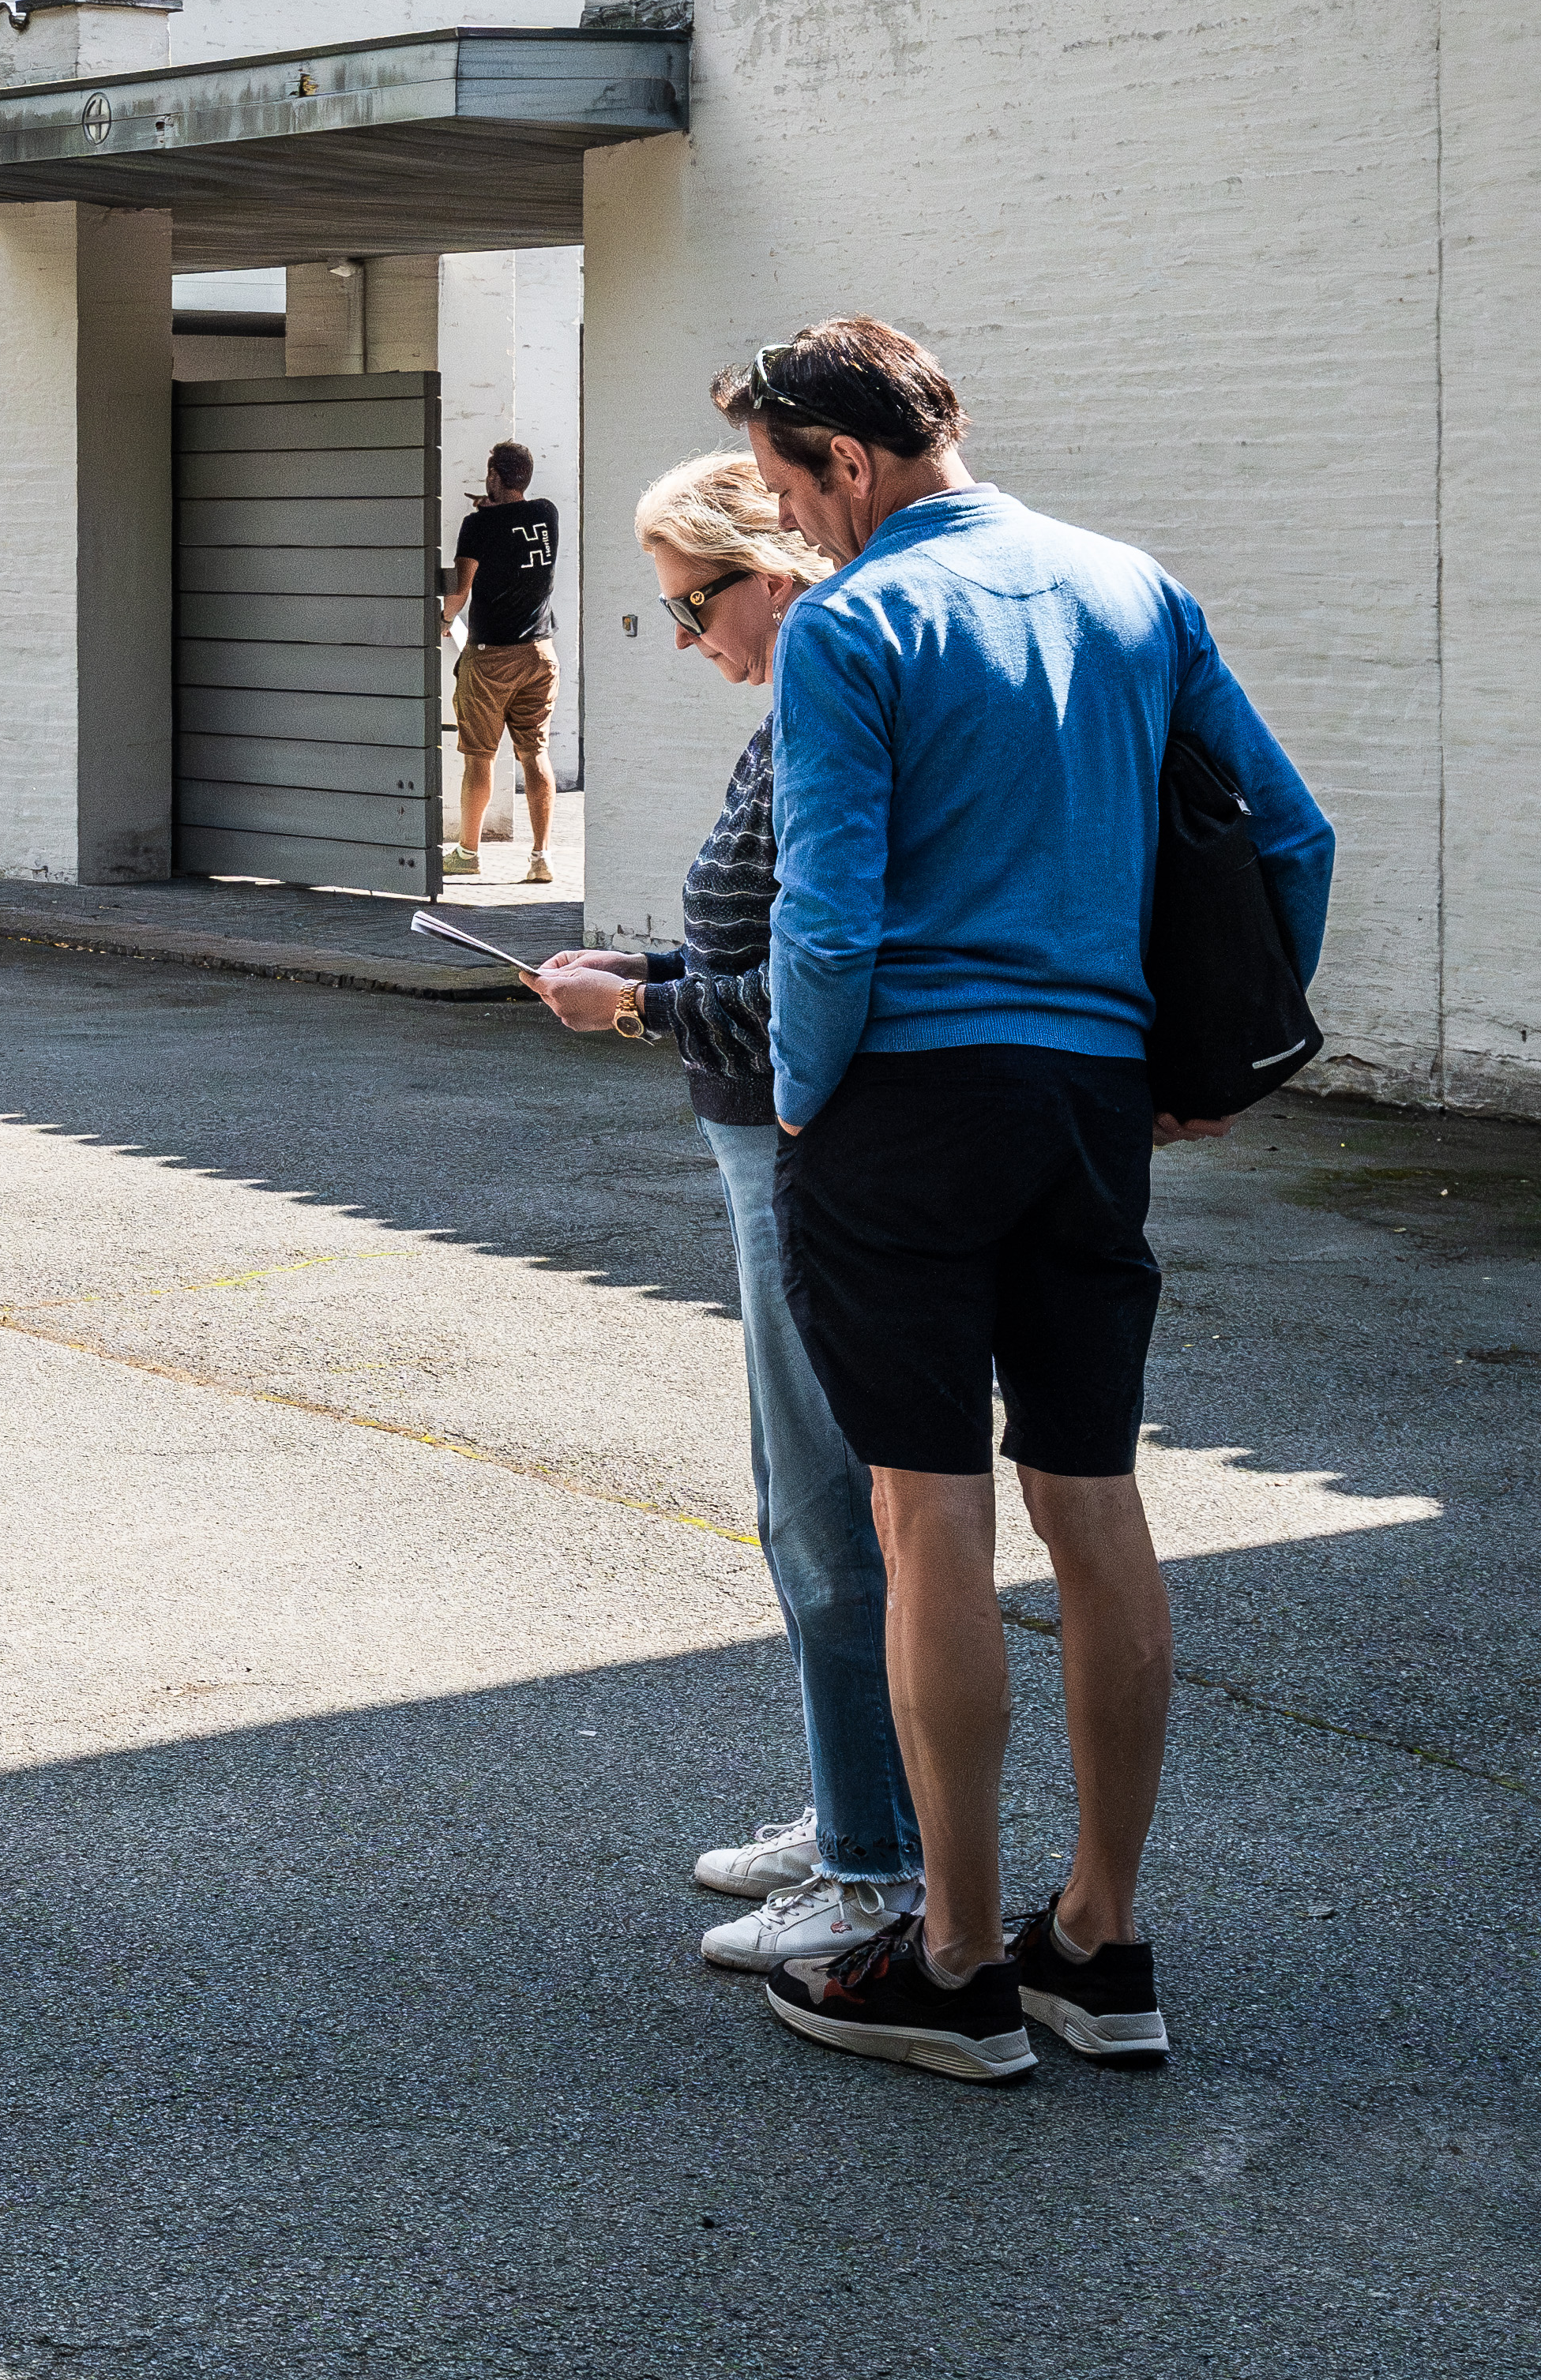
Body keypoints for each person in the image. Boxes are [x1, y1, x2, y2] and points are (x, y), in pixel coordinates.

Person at [720, 317, 1330, 2086]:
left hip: (904, 1099)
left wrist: (802, 1097)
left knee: (932, 1522)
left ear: (846, 458)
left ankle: (964, 1966)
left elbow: (826, 920)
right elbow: (1291, 839)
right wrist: (1201, 1067)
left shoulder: (856, 622)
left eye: (787, 486)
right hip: (1089, 1098)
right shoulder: (1136, 588)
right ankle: (1105, 1944)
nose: (795, 527)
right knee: (1096, 1498)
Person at [521, 454, 920, 1981]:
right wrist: (639, 978)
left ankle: (873, 1861)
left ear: (774, 567)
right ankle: (853, 1809)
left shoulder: (822, 709)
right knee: (808, 1496)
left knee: (822, 1508)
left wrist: (635, 1005)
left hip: (795, 1150)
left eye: (692, 603)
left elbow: (816, 986)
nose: (685, 639)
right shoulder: (799, 715)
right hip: (767, 1137)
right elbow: (764, 957)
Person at [439, 441, 561, 883]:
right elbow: (515, 522)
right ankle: (541, 858)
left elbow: (460, 591)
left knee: (480, 758)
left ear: (493, 476)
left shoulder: (477, 526)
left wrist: (444, 619)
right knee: (536, 754)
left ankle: (468, 854)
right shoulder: (547, 514)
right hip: (541, 653)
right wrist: (494, 506)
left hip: (490, 658)